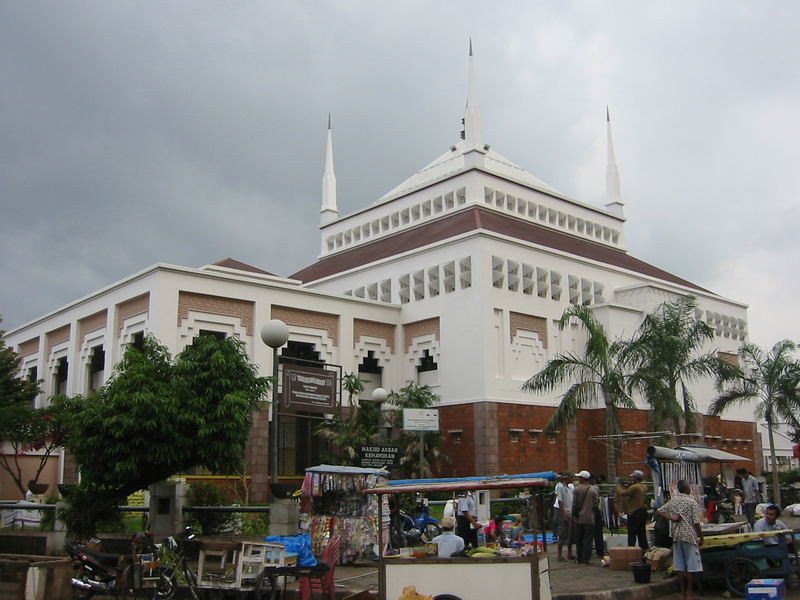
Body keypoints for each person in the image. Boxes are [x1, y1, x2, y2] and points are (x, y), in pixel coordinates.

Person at [657, 480, 704, 600]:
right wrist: (701, 536)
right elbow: (696, 522)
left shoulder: (674, 500)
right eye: (689, 487)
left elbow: (659, 510)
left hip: (677, 535)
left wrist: (671, 518)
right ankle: (689, 593)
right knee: (691, 566)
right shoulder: (692, 502)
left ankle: (682, 592)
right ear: (687, 489)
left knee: (679, 565)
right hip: (689, 536)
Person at [616, 469, 649, 551]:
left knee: (632, 533)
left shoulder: (635, 487)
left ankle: (631, 550)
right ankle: (644, 550)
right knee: (642, 533)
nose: (631, 479)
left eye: (633, 477)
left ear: (636, 478)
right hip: (642, 511)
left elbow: (623, 493)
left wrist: (619, 487)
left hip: (634, 512)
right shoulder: (644, 487)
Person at [572, 470, 599, 565]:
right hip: (589, 518)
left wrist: (574, 515)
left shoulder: (576, 489)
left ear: (583, 479)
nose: (578, 479)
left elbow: (574, 504)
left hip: (579, 517)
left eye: (579, 477)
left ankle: (579, 558)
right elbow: (596, 504)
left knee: (579, 539)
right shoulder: (593, 490)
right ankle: (585, 559)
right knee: (588, 539)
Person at [553, 473, 575, 561]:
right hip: (563, 512)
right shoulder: (560, 486)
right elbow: (560, 501)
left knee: (570, 532)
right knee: (562, 532)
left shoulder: (568, 488)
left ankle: (569, 553)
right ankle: (559, 554)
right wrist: (564, 514)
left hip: (569, 511)